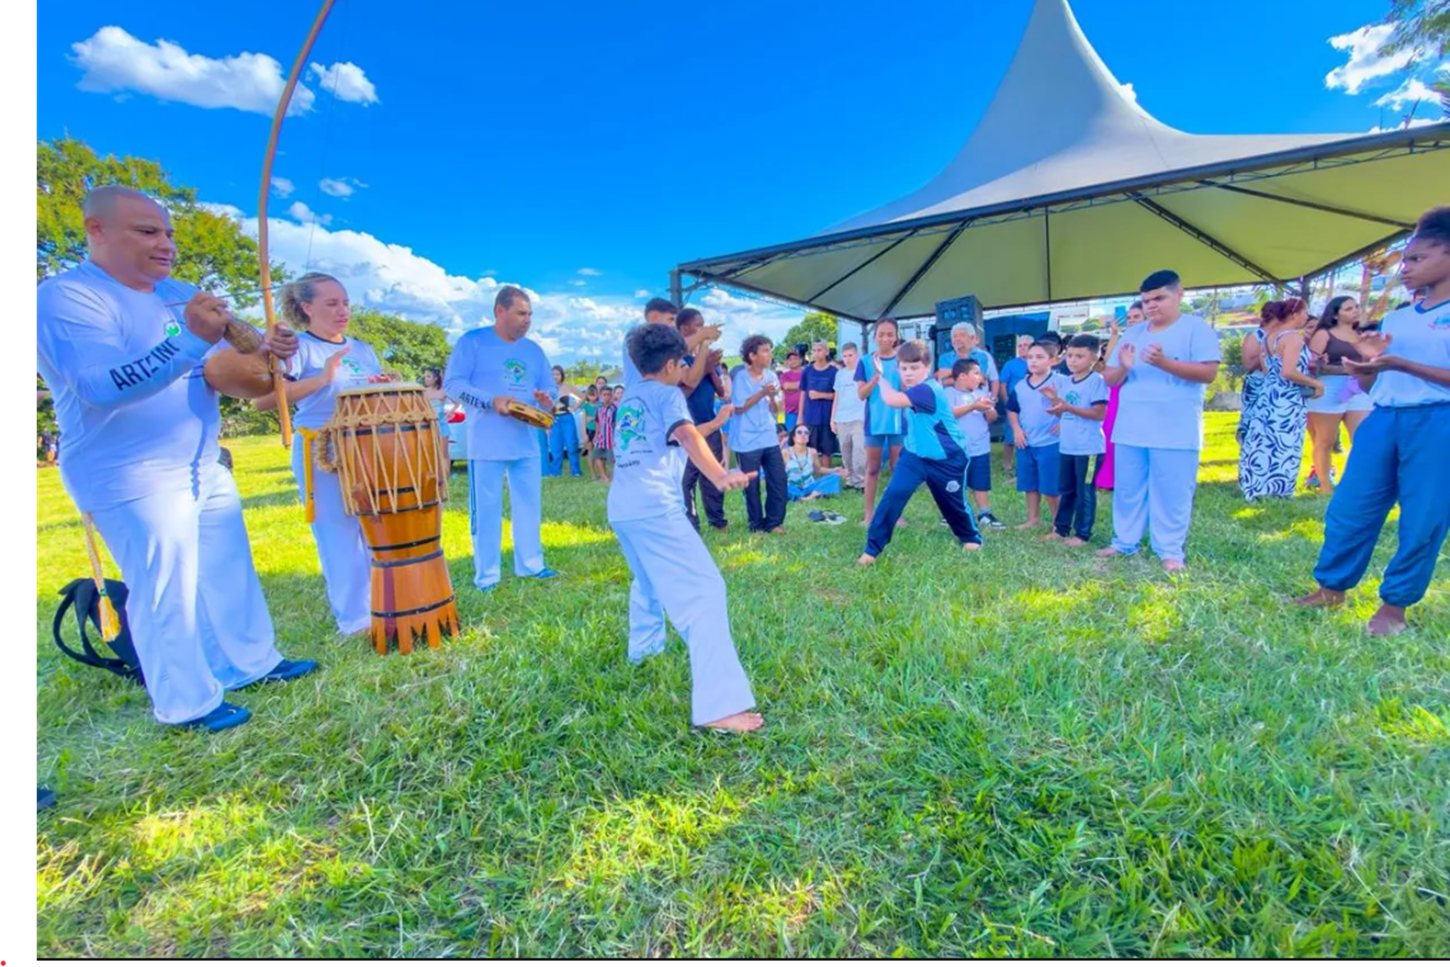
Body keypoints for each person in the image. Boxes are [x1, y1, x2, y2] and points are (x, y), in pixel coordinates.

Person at [34, 185, 316, 732]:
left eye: (168, 233)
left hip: (201, 458)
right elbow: (100, 385)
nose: (165, 245)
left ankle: (250, 661)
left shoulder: (178, 292)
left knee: (226, 566)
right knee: (167, 583)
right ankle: (186, 701)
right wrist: (191, 338)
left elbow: (230, 362)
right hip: (128, 470)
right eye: (147, 232)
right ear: (96, 231)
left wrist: (268, 349)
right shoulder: (67, 297)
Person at [1296, 206, 1450, 636]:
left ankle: (1394, 607)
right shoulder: (1397, 318)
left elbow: (1411, 370)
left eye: (1419, 258)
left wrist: (1400, 363)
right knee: (1350, 507)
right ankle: (1331, 588)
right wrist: (1366, 368)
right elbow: (1372, 385)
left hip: (1439, 422)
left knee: (1423, 516)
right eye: (1406, 258)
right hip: (1384, 419)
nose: (1406, 267)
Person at [608, 323, 761, 732]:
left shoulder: (630, 396)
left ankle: (644, 651)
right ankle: (718, 708)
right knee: (706, 590)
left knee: (647, 582)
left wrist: (716, 426)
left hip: (622, 508)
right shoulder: (667, 393)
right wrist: (719, 474)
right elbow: (686, 433)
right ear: (674, 364)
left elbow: (675, 437)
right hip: (655, 507)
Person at [253, 272, 384, 636]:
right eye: (331, 304)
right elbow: (263, 400)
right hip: (321, 448)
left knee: (374, 527)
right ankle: (356, 619)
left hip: (367, 448)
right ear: (306, 307)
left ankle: (386, 604)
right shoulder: (297, 349)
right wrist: (323, 378)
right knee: (338, 532)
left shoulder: (363, 349)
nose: (342, 311)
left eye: (345, 303)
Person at [1097, 270, 1221, 573]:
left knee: (1172, 490)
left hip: (1175, 427)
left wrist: (1163, 363)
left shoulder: (1196, 329)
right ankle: (1124, 541)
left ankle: (1169, 550)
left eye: (1159, 298)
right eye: (1146, 300)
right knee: (1128, 488)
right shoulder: (1134, 334)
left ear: (1179, 295)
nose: (1152, 306)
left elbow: (1208, 373)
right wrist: (1124, 367)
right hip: (1131, 425)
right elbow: (1111, 379)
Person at [443, 285, 559, 591]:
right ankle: (487, 575)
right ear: (500, 311)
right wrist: (490, 400)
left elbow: (551, 389)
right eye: (521, 313)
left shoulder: (533, 350)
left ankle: (531, 565)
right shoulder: (473, 342)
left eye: (530, 314)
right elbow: (453, 384)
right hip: (486, 442)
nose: (527, 320)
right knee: (487, 508)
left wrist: (547, 399)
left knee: (529, 504)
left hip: (526, 441)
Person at [858, 340, 985, 564]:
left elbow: (891, 399)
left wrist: (880, 377)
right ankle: (871, 551)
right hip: (915, 455)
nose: (908, 373)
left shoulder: (927, 389)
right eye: (904, 368)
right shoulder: (917, 390)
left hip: (947, 459)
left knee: (952, 502)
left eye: (914, 368)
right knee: (893, 495)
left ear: (927, 368)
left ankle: (970, 537)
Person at [1238, 298, 1321, 501]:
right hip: (1288, 397)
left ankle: (1256, 484)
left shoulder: (1269, 337)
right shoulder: (1293, 338)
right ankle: (1279, 488)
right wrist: (1315, 384)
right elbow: (1288, 371)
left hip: (1269, 393)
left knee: (1263, 440)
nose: (1306, 317)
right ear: (1294, 314)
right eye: (1304, 312)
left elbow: (1268, 369)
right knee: (1285, 440)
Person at [1304, 296, 1373, 494]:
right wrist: (1331, 366)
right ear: (1335, 314)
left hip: (1358, 388)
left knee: (1362, 438)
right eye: (1348, 308)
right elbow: (1311, 364)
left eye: (1356, 307)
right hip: (1330, 387)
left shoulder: (1361, 334)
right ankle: (1325, 484)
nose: (1355, 311)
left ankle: (1356, 483)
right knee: (1325, 440)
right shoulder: (1324, 334)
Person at [1045, 335, 1109, 545]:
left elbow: (1099, 413)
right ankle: (1061, 529)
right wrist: (1055, 402)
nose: (1072, 360)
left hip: (1089, 448)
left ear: (1093, 357)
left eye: (1079, 356)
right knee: (1066, 489)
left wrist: (1067, 407)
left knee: (1085, 491)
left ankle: (1082, 533)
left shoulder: (1096, 382)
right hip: (1068, 446)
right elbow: (1064, 412)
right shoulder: (1066, 382)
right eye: (1070, 355)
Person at [676, 308, 730, 531]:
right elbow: (683, 392)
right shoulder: (679, 360)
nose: (704, 328)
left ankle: (717, 520)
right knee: (687, 479)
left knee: (713, 475)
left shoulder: (703, 358)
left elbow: (721, 391)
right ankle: (691, 522)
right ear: (685, 329)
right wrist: (703, 366)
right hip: (690, 428)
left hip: (711, 425)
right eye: (699, 325)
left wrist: (710, 368)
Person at [730, 335, 788, 533]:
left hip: (768, 435)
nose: (769, 354)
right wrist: (762, 393)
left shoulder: (772, 376)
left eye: (770, 350)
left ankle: (774, 522)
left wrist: (772, 398)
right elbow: (739, 408)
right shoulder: (741, 378)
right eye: (765, 351)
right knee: (751, 485)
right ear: (752, 355)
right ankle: (755, 525)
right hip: (747, 439)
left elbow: (775, 409)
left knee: (778, 479)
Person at [855, 319, 907, 527]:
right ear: (874, 336)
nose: (885, 338)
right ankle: (869, 515)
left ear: (896, 336)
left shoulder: (903, 359)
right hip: (874, 423)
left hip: (898, 422)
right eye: (881, 334)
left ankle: (897, 515)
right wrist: (876, 376)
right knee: (873, 468)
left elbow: (907, 390)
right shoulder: (865, 361)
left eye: (890, 334)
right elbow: (861, 394)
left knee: (898, 468)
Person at [1007, 342, 1062, 529]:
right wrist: (1016, 429)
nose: (1033, 361)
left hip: (1051, 442)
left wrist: (1063, 422)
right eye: (1030, 357)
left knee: (1051, 486)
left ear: (1053, 360)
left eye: (1039, 357)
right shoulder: (1021, 386)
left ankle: (1058, 522)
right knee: (1029, 483)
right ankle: (1033, 519)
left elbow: (1071, 407)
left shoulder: (1060, 382)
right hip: (1026, 441)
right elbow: (1012, 409)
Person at [944, 358, 1004, 528]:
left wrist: (989, 410)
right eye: (976, 373)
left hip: (980, 447)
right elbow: (948, 415)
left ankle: (984, 513)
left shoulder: (980, 394)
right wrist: (972, 406)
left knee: (980, 481)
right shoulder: (949, 393)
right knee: (956, 482)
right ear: (962, 376)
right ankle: (952, 513)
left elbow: (991, 418)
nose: (980, 377)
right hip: (957, 449)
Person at [1095, 303, 1140, 491]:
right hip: (1117, 392)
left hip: (1141, 398)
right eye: (1129, 317)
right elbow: (1106, 364)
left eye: (1136, 317)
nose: (1131, 321)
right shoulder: (1126, 339)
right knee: (1110, 435)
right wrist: (1114, 334)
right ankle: (1108, 479)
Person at [830, 342, 867, 489]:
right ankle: (850, 479)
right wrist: (832, 419)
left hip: (859, 417)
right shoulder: (840, 374)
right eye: (844, 356)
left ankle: (861, 481)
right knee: (845, 452)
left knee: (859, 450)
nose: (847, 359)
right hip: (841, 418)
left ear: (856, 355)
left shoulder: (864, 372)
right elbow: (836, 397)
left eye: (850, 355)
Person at [798, 340, 838, 469]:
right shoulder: (807, 371)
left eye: (819, 350)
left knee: (827, 450)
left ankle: (826, 476)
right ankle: (811, 474)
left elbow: (838, 396)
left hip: (827, 417)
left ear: (826, 351)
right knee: (810, 449)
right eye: (814, 350)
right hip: (810, 417)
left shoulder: (834, 372)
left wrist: (821, 395)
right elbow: (803, 394)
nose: (816, 353)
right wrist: (800, 416)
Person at [997, 334, 1034, 475]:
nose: (1023, 348)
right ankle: (1006, 464)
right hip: (1014, 405)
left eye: (1026, 345)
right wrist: (1007, 402)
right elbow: (1003, 384)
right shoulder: (1011, 364)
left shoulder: (1036, 363)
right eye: (1020, 345)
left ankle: (1025, 465)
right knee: (1010, 435)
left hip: (1031, 406)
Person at [937, 322, 1000, 398]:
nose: (957, 339)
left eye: (962, 335)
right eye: (954, 336)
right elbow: (944, 381)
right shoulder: (944, 358)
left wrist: (951, 372)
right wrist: (969, 375)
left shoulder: (983, 356)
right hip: (953, 404)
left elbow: (981, 380)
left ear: (972, 338)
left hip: (979, 402)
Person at [784, 425, 845, 501]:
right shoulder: (786, 452)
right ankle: (812, 496)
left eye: (806, 433)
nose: (803, 435)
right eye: (799, 432)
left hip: (809, 486)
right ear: (794, 437)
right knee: (781, 488)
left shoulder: (812, 452)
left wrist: (834, 470)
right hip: (792, 486)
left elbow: (818, 469)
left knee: (834, 478)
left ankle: (807, 497)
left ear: (808, 438)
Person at [546, 366, 584, 477]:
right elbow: (546, 407)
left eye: (557, 374)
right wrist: (547, 426)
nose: (555, 377)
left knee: (571, 445)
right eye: (553, 374)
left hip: (567, 418)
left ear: (562, 375)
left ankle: (576, 470)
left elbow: (582, 397)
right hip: (553, 419)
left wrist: (574, 407)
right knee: (555, 447)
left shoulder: (567, 387)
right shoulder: (547, 389)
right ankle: (556, 471)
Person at [592, 384, 619, 484]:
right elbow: (597, 422)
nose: (606, 397)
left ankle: (613, 476)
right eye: (604, 395)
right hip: (601, 436)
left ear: (612, 396)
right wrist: (596, 435)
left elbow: (616, 424)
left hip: (611, 438)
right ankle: (604, 476)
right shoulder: (599, 408)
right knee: (598, 456)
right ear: (600, 396)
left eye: (608, 395)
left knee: (612, 459)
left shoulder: (614, 409)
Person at [778, 350, 804, 432]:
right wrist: (804, 385)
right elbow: (786, 386)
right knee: (790, 437)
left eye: (795, 359)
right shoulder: (784, 375)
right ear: (787, 362)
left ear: (800, 360)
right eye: (790, 359)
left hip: (806, 413)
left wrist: (794, 386)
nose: (793, 361)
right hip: (790, 413)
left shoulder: (806, 373)